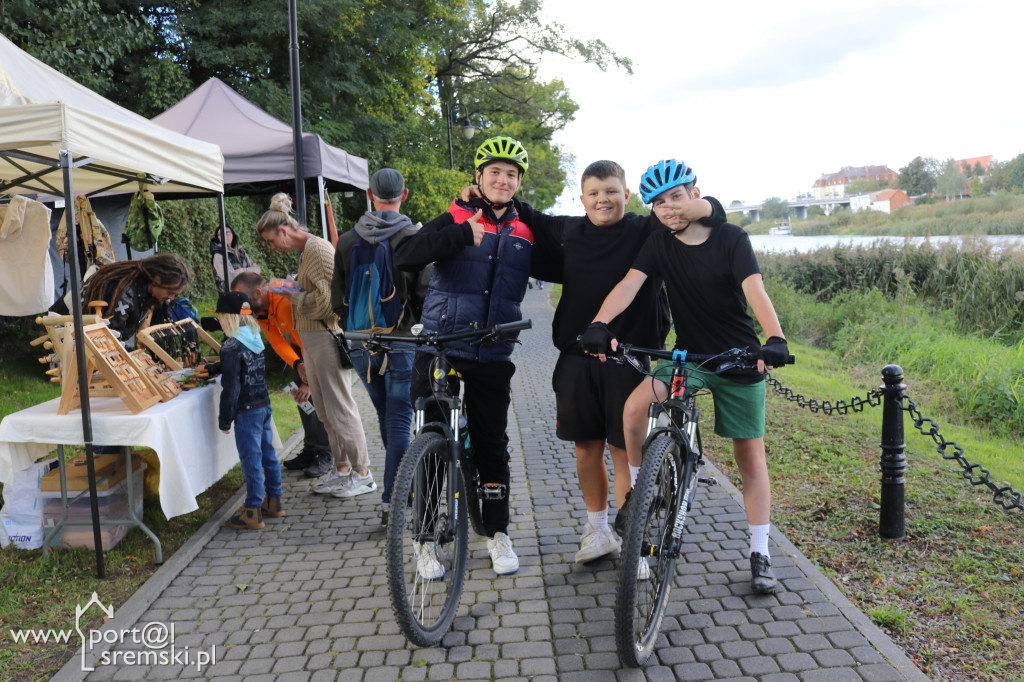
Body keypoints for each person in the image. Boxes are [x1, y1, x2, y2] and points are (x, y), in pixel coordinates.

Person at [580, 159, 789, 594]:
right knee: (635, 408)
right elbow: (629, 284)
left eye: (676, 196)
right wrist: (600, 323)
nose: (668, 208)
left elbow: (755, 290)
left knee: (750, 458)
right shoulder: (659, 244)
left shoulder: (731, 238)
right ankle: (639, 496)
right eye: (658, 202)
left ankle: (760, 551)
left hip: (737, 357)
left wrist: (775, 337)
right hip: (688, 356)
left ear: (696, 192)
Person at [505, 160, 725, 567]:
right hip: (575, 357)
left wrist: (704, 204)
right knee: (586, 450)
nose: (603, 199)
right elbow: (522, 211)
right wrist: (475, 196)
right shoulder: (569, 231)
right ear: (583, 198)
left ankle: (634, 535)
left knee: (625, 450)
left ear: (626, 195)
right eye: (594, 193)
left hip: (633, 360)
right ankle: (598, 530)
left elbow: (710, 214)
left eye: (611, 191)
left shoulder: (647, 229)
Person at [393, 136, 560, 575]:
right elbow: (404, 254)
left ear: (519, 182)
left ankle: (497, 532)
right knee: (430, 443)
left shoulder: (527, 231)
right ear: (478, 178)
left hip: (492, 350)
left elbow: (572, 266)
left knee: (493, 447)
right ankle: (424, 539)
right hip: (441, 348)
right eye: (494, 172)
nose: (503, 180)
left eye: (511, 174)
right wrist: (458, 233)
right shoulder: (455, 215)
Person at [256, 193, 375, 499]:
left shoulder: (318, 250)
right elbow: (318, 291)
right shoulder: (308, 252)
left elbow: (325, 303)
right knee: (324, 409)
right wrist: (296, 287)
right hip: (312, 339)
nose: (273, 247)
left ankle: (363, 473)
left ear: (284, 231)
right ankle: (342, 468)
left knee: (340, 407)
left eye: (271, 241)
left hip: (325, 337)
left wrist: (290, 293)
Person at [330, 168, 429, 527]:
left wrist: (352, 329)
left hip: (360, 344)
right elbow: (424, 295)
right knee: (401, 418)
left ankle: (400, 484)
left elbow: (337, 299)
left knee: (388, 415)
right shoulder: (414, 237)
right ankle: (393, 499)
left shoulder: (346, 241)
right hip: (401, 342)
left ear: (369, 195)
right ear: (404, 194)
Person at [231, 272, 335, 478]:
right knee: (306, 406)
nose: (242, 307)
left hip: (320, 352)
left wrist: (310, 378)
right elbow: (277, 341)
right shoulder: (260, 310)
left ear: (259, 293)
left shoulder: (286, 302)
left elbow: (309, 337)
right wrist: (297, 365)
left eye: (243, 300)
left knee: (319, 404)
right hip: (301, 355)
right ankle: (311, 448)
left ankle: (326, 453)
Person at [202, 291, 283, 530]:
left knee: (251, 460)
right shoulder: (253, 336)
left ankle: (252, 510)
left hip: (246, 411)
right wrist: (214, 367)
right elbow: (244, 366)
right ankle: (274, 502)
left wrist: (224, 420)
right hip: (263, 405)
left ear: (228, 318)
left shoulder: (231, 345)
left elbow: (232, 387)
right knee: (268, 455)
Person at [52, 252, 191, 347]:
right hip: (63, 326)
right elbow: (110, 337)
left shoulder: (148, 289)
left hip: (86, 333)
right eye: (170, 292)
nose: (171, 298)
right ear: (157, 279)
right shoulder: (123, 291)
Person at [210, 225, 260, 293]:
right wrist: (249, 275)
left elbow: (257, 269)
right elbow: (230, 276)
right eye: (220, 234)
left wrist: (243, 270)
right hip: (230, 296)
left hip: (247, 293)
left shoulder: (241, 253)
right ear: (218, 238)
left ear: (232, 234)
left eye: (227, 232)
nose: (225, 236)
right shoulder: (218, 256)